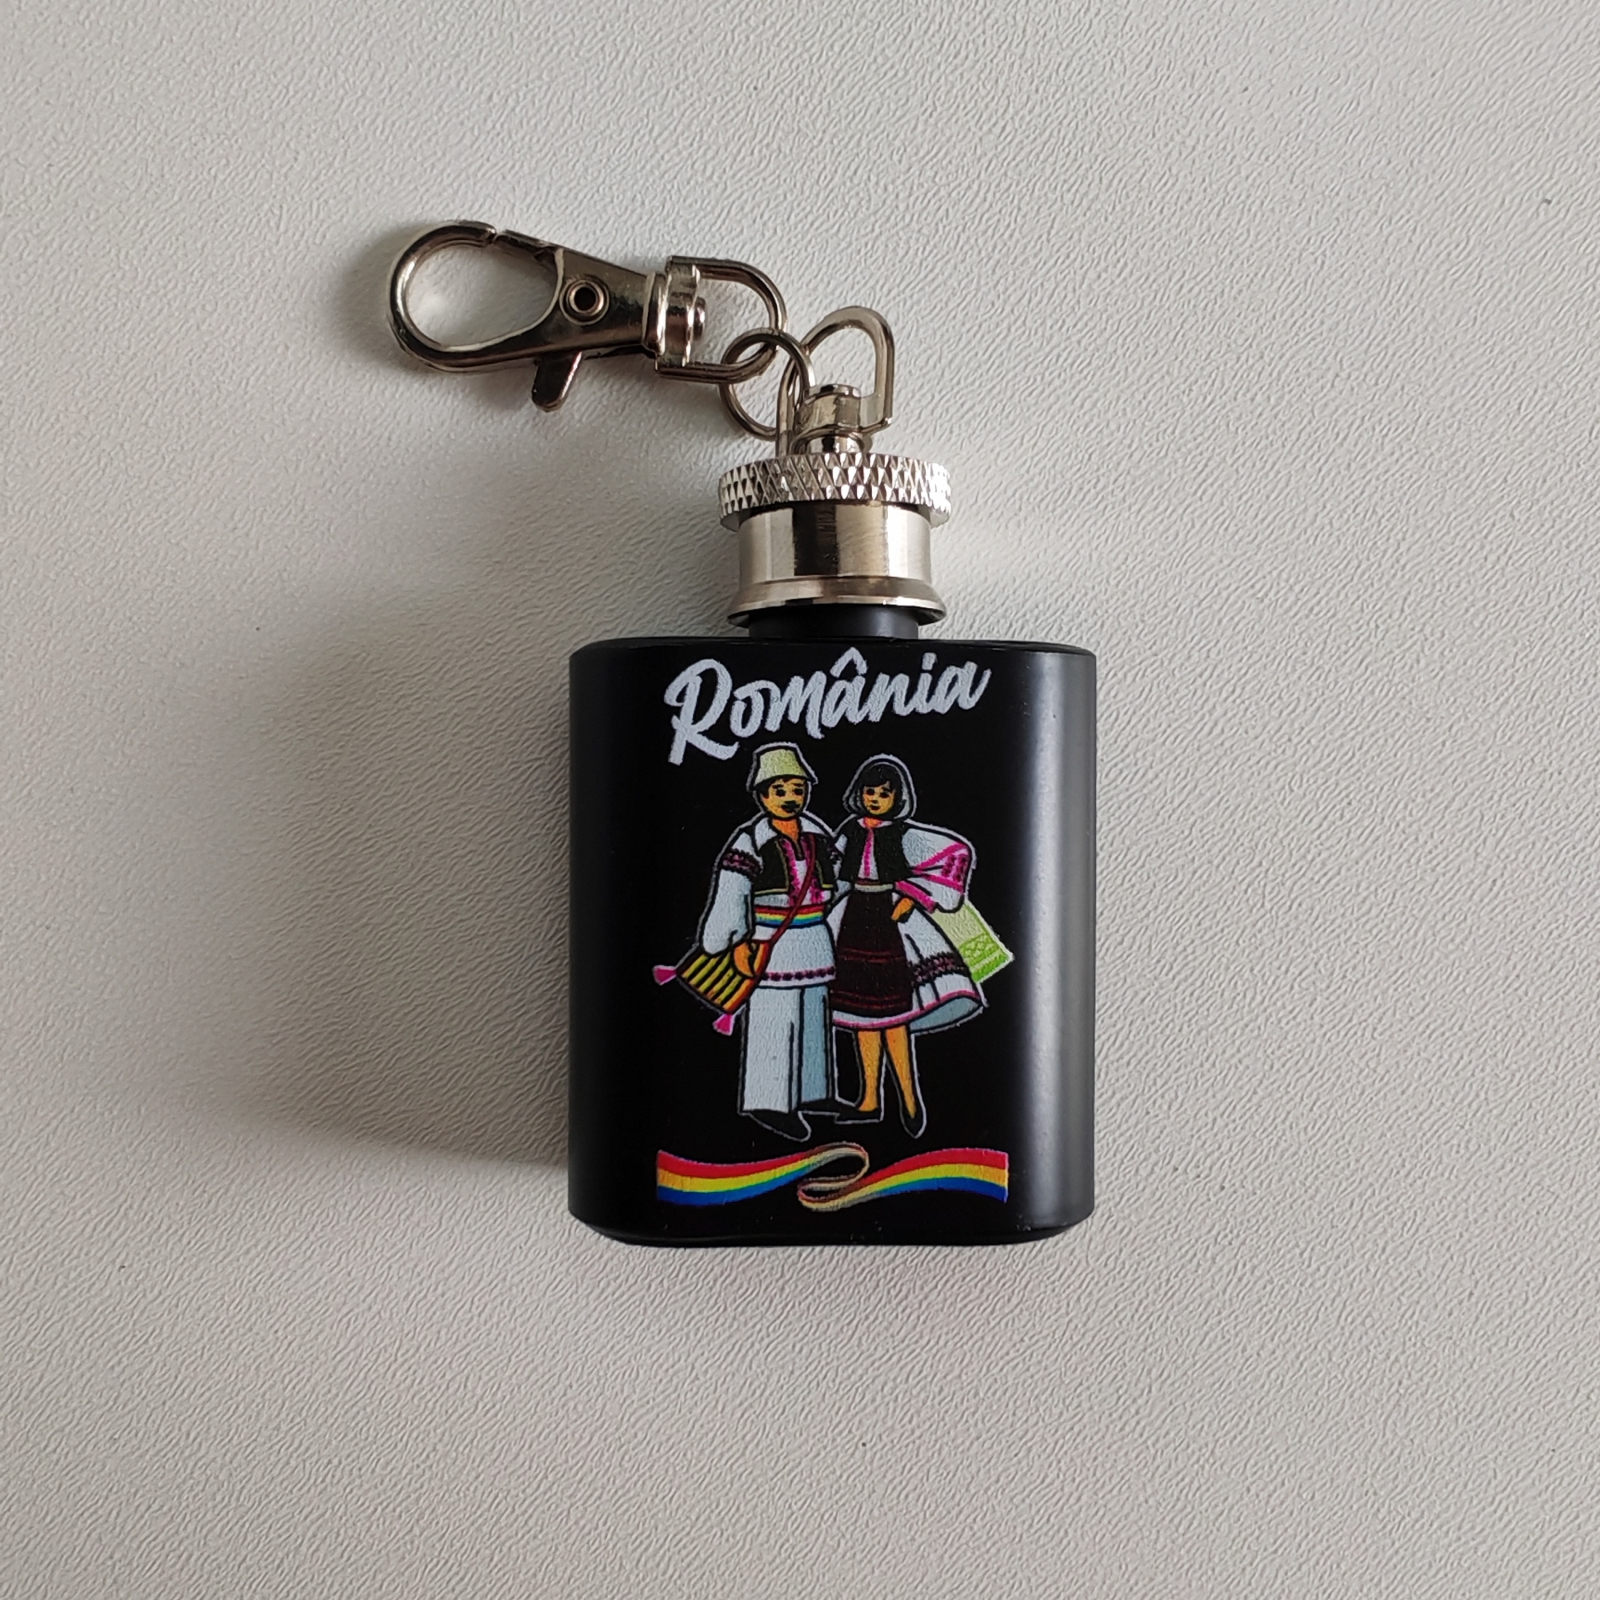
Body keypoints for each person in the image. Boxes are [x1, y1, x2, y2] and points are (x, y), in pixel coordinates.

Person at [828, 755, 982, 1136]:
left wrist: (914, 896)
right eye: (870, 792)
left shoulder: (904, 835)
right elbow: (830, 871)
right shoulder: (849, 831)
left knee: (896, 1016)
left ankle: (910, 1099)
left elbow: (954, 854)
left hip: (891, 921)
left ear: (898, 798)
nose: (875, 799)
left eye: (884, 794)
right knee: (863, 1017)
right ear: (859, 793)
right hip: (852, 921)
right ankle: (869, 1100)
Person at [696, 744, 840, 1141]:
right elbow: (733, 890)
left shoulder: (818, 834)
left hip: (815, 937)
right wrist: (729, 939)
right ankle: (768, 1101)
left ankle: (814, 1091)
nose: (790, 797)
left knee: (814, 1015)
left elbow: (839, 879)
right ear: (761, 795)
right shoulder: (750, 840)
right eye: (780, 790)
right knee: (776, 1018)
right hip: (768, 942)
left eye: (798, 789)